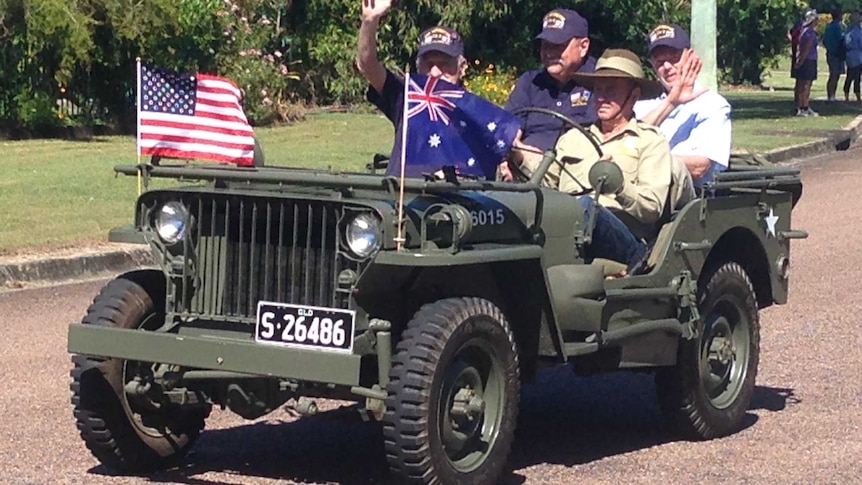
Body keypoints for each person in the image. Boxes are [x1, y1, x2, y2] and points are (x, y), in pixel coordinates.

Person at [511, 49, 674, 273]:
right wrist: (517, 154)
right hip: (568, 228)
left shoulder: (650, 140)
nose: (601, 97)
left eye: (611, 90)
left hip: (624, 236)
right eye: (598, 89)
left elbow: (652, 208)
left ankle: (639, 264)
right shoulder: (574, 137)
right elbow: (547, 182)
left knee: (587, 207)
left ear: (633, 96)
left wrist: (620, 186)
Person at [633, 23, 731, 189]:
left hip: (688, 200)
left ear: (691, 56)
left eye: (674, 58)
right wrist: (670, 103)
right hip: (639, 194)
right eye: (660, 61)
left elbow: (699, 166)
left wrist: (642, 161)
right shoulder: (642, 105)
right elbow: (625, 142)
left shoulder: (713, 105)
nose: (667, 67)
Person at [357, 0, 467, 126]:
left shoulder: (475, 110)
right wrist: (370, 20)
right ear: (418, 66)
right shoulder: (407, 98)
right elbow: (368, 65)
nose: (435, 73)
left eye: (444, 64)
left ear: (462, 67)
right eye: (428, 64)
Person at [504, 8, 597, 154]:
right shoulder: (530, 82)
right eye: (545, 45)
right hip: (525, 166)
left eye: (558, 46)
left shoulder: (600, 82)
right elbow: (510, 129)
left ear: (583, 46)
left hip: (574, 166)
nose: (549, 53)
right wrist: (509, 155)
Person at [794, 8, 820, 117]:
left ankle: (804, 106)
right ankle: (803, 107)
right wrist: (801, 61)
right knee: (805, 85)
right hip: (809, 60)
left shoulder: (804, 31)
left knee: (803, 85)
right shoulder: (810, 33)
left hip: (807, 60)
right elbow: (807, 48)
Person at [824, 9, 845, 102]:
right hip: (836, 54)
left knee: (833, 74)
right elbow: (841, 39)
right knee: (834, 75)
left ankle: (831, 95)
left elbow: (824, 41)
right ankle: (831, 95)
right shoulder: (837, 27)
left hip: (830, 52)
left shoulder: (829, 26)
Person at [843, 10, 862, 103]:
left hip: (849, 56)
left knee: (849, 76)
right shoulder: (858, 31)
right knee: (857, 78)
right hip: (858, 57)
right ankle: (858, 96)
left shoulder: (847, 31)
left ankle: (846, 95)